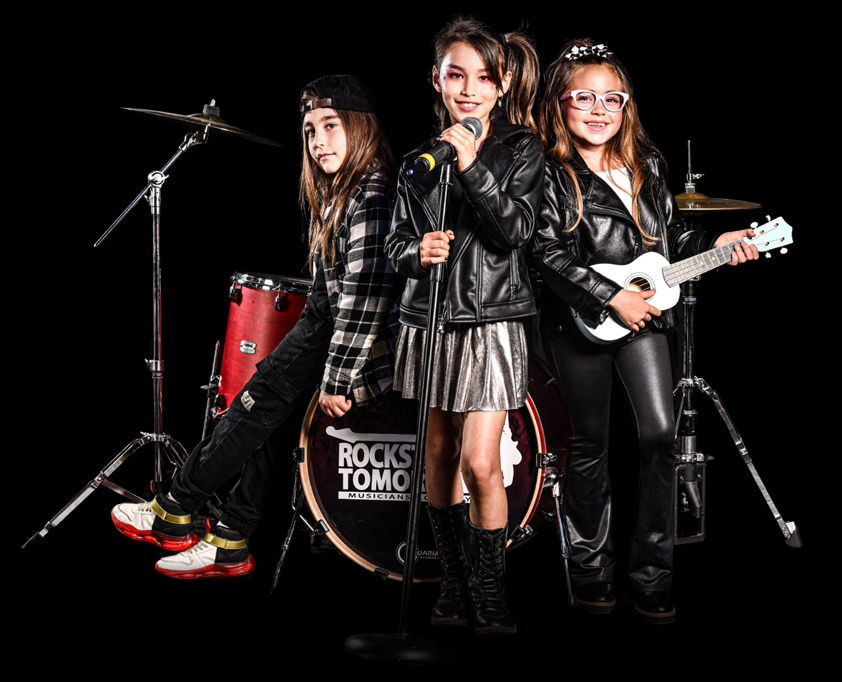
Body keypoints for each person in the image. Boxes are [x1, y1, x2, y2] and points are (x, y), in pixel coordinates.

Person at [111, 75, 401, 578]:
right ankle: (229, 539)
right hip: (322, 324)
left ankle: (173, 507)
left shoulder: (372, 191)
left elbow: (366, 297)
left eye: (331, 126)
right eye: (311, 130)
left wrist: (337, 377)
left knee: (250, 410)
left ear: (362, 128)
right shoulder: (344, 189)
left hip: (339, 337)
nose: (318, 141)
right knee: (268, 426)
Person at [532, 39, 758, 623]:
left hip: (646, 319)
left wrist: (713, 246)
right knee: (589, 447)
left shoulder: (648, 166)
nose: (599, 109)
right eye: (584, 97)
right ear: (560, 103)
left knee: (659, 435)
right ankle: (591, 573)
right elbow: (546, 253)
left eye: (613, 97)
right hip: (576, 318)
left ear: (627, 104)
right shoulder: (548, 172)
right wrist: (610, 296)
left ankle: (651, 575)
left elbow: (666, 244)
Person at [384, 18, 542, 636]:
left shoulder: (521, 150)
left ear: (500, 87)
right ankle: (452, 586)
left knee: (481, 462)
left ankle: (490, 593)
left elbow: (515, 233)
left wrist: (473, 164)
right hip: (430, 321)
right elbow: (396, 243)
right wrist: (412, 252)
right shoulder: (419, 160)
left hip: (494, 322)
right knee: (439, 452)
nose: (469, 89)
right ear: (437, 80)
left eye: (483, 78)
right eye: (456, 75)